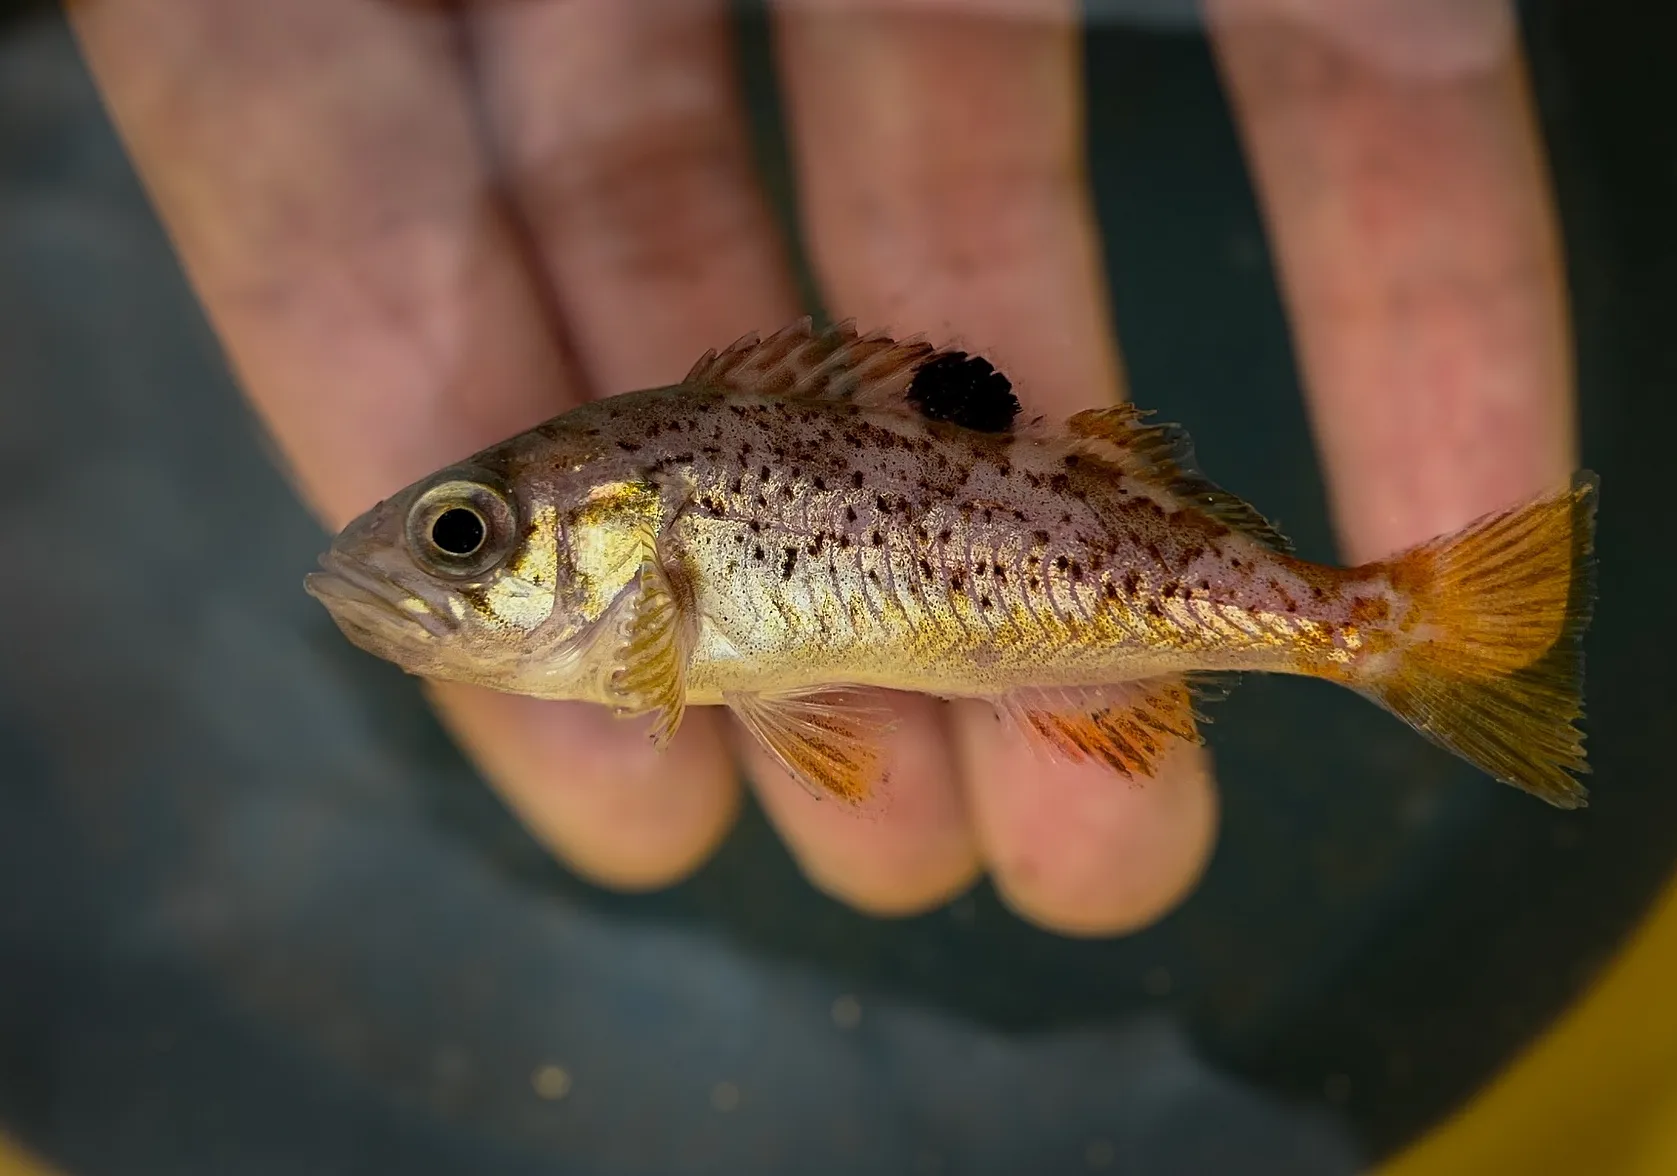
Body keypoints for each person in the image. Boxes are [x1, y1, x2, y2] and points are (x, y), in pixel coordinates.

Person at [66, 0, 1574, 937]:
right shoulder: (651, 585)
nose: (425, 559)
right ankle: (1389, 627)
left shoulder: (666, 575)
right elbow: (810, 710)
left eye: (465, 535)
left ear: (623, 535)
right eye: (456, 538)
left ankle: (1392, 624)